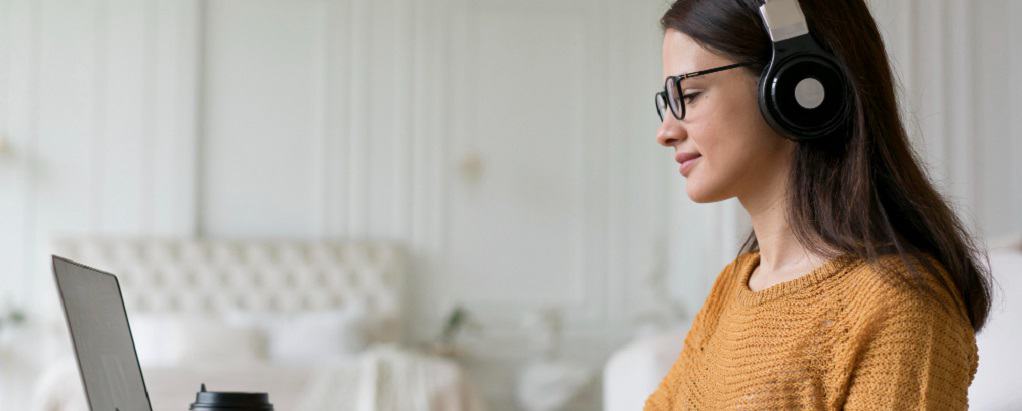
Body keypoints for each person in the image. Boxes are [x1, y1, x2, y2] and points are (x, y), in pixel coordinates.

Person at [645, 0, 992, 409]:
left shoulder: (898, 307)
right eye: (667, 101)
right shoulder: (735, 285)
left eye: (690, 94)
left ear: (796, 85)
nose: (666, 132)